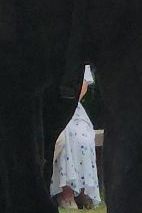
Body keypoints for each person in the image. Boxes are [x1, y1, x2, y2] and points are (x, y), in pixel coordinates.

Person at [50, 65, 99, 209]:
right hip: (52, 107)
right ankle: (66, 194)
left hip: (73, 106)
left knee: (84, 137)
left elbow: (84, 84)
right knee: (66, 133)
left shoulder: (79, 55)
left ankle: (83, 191)